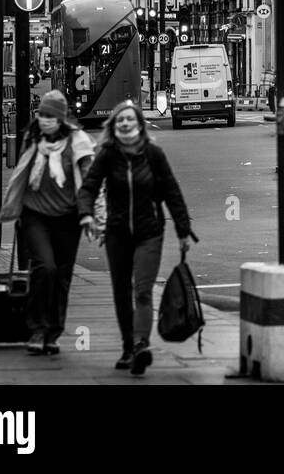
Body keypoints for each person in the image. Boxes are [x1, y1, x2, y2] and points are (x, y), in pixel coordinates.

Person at [78, 101, 196, 376]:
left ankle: (142, 344)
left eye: (130, 119)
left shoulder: (153, 154)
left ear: (139, 124)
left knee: (142, 289)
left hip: (149, 232)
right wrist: (86, 215)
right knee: (121, 291)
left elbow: (171, 191)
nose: (125, 124)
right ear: (114, 125)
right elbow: (89, 188)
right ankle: (128, 346)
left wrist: (182, 230)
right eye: (120, 121)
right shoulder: (107, 154)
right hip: (117, 233)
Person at [0, 90, 96, 356]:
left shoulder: (78, 141)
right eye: (42, 114)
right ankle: (37, 327)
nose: (45, 119)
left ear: (61, 119)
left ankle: (53, 332)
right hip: (35, 215)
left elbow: (89, 182)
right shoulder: (33, 137)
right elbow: (21, 173)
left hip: (67, 218)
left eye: (51, 116)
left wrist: (89, 214)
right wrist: (13, 207)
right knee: (45, 267)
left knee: (62, 276)